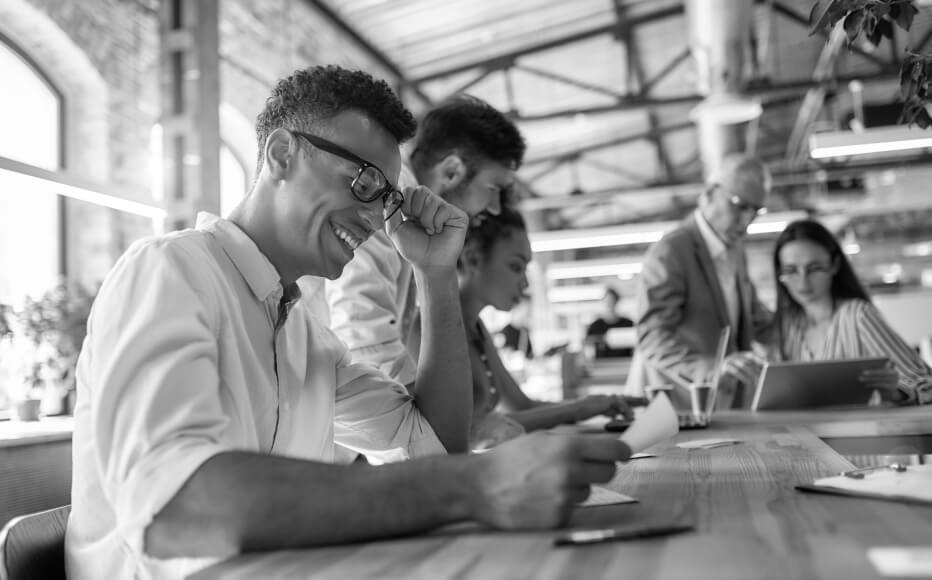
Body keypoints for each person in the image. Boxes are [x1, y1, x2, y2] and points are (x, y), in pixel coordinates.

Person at [65, 65, 631, 580]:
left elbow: (434, 443)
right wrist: (474, 486)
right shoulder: (169, 272)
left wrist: (435, 274)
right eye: (362, 183)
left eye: (385, 199)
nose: (373, 218)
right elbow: (173, 510)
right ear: (282, 154)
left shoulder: (304, 335)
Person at [321, 94, 526, 388]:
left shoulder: (415, 213)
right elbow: (363, 336)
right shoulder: (389, 199)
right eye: (493, 188)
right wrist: (427, 419)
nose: (495, 207)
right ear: (452, 171)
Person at [409, 207, 635, 449]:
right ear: (473, 258)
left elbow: (521, 406)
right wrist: (578, 408)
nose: (525, 282)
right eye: (516, 267)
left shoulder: (477, 328)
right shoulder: (429, 329)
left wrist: (594, 404)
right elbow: (469, 430)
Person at [632, 153, 774, 409]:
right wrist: (712, 369)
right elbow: (653, 338)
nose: (747, 220)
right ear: (710, 193)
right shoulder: (671, 252)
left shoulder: (735, 252)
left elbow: (754, 317)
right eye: (740, 205)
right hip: (675, 407)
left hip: (720, 407)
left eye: (756, 211)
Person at [770, 219, 932, 405]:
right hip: (804, 434)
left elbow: (926, 382)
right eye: (791, 270)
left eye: (814, 269)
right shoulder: (787, 327)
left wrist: (897, 392)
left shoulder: (858, 316)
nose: (802, 282)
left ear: (835, 265)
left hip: (860, 433)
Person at [584, 287, 635, 358]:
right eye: (607, 301)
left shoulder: (628, 324)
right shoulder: (595, 326)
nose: (610, 303)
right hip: (601, 365)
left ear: (617, 301)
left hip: (625, 363)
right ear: (603, 302)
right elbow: (588, 346)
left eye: (612, 300)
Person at [498, 295, 534, 359]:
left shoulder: (524, 332)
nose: (528, 313)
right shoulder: (504, 333)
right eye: (525, 309)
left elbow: (529, 356)